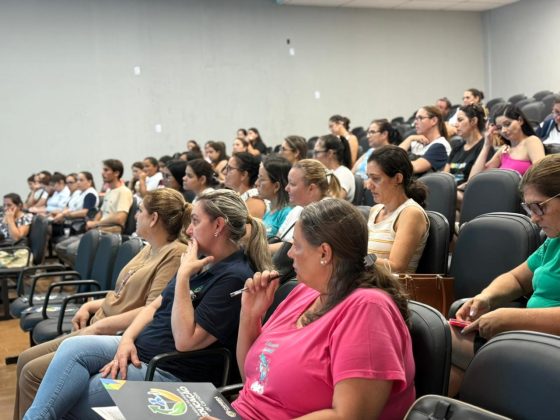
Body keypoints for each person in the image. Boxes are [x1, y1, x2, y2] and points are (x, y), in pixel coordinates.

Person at [24, 190, 273, 419]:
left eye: (196, 222)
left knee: (72, 397)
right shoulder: (200, 259)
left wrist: (183, 277)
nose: (188, 230)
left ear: (218, 225)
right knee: (73, 348)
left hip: (171, 371)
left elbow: (186, 341)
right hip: (141, 351)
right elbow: (153, 307)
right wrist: (126, 339)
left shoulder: (234, 276)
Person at [224, 199, 415, 419]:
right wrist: (250, 315)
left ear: (324, 253)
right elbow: (254, 380)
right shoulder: (305, 292)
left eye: (296, 245)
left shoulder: (368, 310)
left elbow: (349, 416)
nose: (289, 254)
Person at [14, 188, 190, 419]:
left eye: (140, 211)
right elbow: (121, 292)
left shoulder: (175, 254)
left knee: (32, 373)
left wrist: (99, 327)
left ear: (154, 218)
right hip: (100, 322)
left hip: (113, 332)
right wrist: (91, 305)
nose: (135, 216)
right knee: (25, 359)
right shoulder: (149, 247)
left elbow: (152, 308)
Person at [449, 154, 560, 397]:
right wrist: (486, 297)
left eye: (539, 206)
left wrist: (510, 318)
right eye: (529, 208)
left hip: (551, 347)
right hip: (532, 338)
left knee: (442, 342)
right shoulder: (554, 240)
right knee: (450, 354)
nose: (533, 217)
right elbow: (517, 279)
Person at [55, 159, 133, 267]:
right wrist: (92, 224)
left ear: (116, 173)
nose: (102, 173)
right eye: (103, 170)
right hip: (98, 230)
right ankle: (84, 270)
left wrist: (96, 223)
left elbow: (120, 218)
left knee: (72, 250)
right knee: (60, 247)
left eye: (106, 170)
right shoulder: (109, 191)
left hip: (110, 233)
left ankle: (88, 271)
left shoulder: (124, 192)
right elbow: (101, 212)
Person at [366, 145, 429, 273]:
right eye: (368, 177)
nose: (368, 185)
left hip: (392, 285)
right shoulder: (375, 210)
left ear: (398, 179)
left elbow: (396, 267)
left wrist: (356, 259)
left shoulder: (411, 213)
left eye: (376, 178)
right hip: (368, 281)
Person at [272, 159, 342, 251]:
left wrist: (260, 248)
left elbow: (300, 246)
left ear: (311, 188)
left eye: (292, 184)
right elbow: (278, 238)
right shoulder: (297, 209)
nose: (286, 188)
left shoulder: (327, 214)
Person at [469, 104, 545, 179]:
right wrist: (486, 145)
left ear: (520, 120)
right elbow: (474, 178)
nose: (503, 130)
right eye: (499, 127)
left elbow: (542, 175)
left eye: (507, 124)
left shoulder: (531, 141)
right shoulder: (504, 149)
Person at [399, 105, 451, 176]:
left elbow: (415, 167)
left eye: (420, 118)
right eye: (415, 119)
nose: (415, 122)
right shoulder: (416, 142)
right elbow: (395, 156)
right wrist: (410, 138)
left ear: (434, 121)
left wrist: (395, 164)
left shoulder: (440, 145)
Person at [256, 155, 292, 238]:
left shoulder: (287, 213)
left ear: (276, 186)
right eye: (258, 178)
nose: (256, 183)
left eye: (261, 179)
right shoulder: (269, 211)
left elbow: (283, 244)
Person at [313, 134, 355, 202]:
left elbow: (333, 203)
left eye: (317, 152)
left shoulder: (344, 174)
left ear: (330, 153)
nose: (313, 157)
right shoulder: (324, 173)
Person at [224, 152, 267, 218]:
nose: (224, 172)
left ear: (244, 175)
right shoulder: (240, 196)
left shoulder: (255, 201)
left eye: (229, 168)